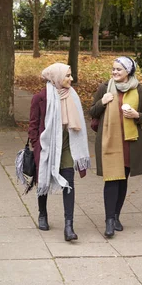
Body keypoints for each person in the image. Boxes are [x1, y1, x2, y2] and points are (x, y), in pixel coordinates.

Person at [28, 63, 91, 241]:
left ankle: (68, 226)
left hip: (68, 143)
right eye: (67, 75)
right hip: (47, 145)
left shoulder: (73, 95)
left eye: (70, 75)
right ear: (56, 77)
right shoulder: (40, 98)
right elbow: (33, 125)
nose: (71, 79)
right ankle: (42, 214)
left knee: (69, 181)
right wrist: (37, 145)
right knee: (44, 178)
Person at [89, 56, 142, 238]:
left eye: (119, 69)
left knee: (123, 180)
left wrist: (136, 114)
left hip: (129, 142)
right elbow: (92, 111)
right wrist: (103, 101)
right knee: (111, 180)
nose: (115, 72)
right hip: (109, 141)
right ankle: (109, 220)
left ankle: (116, 216)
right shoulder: (104, 87)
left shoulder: (139, 90)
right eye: (113, 69)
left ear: (128, 72)